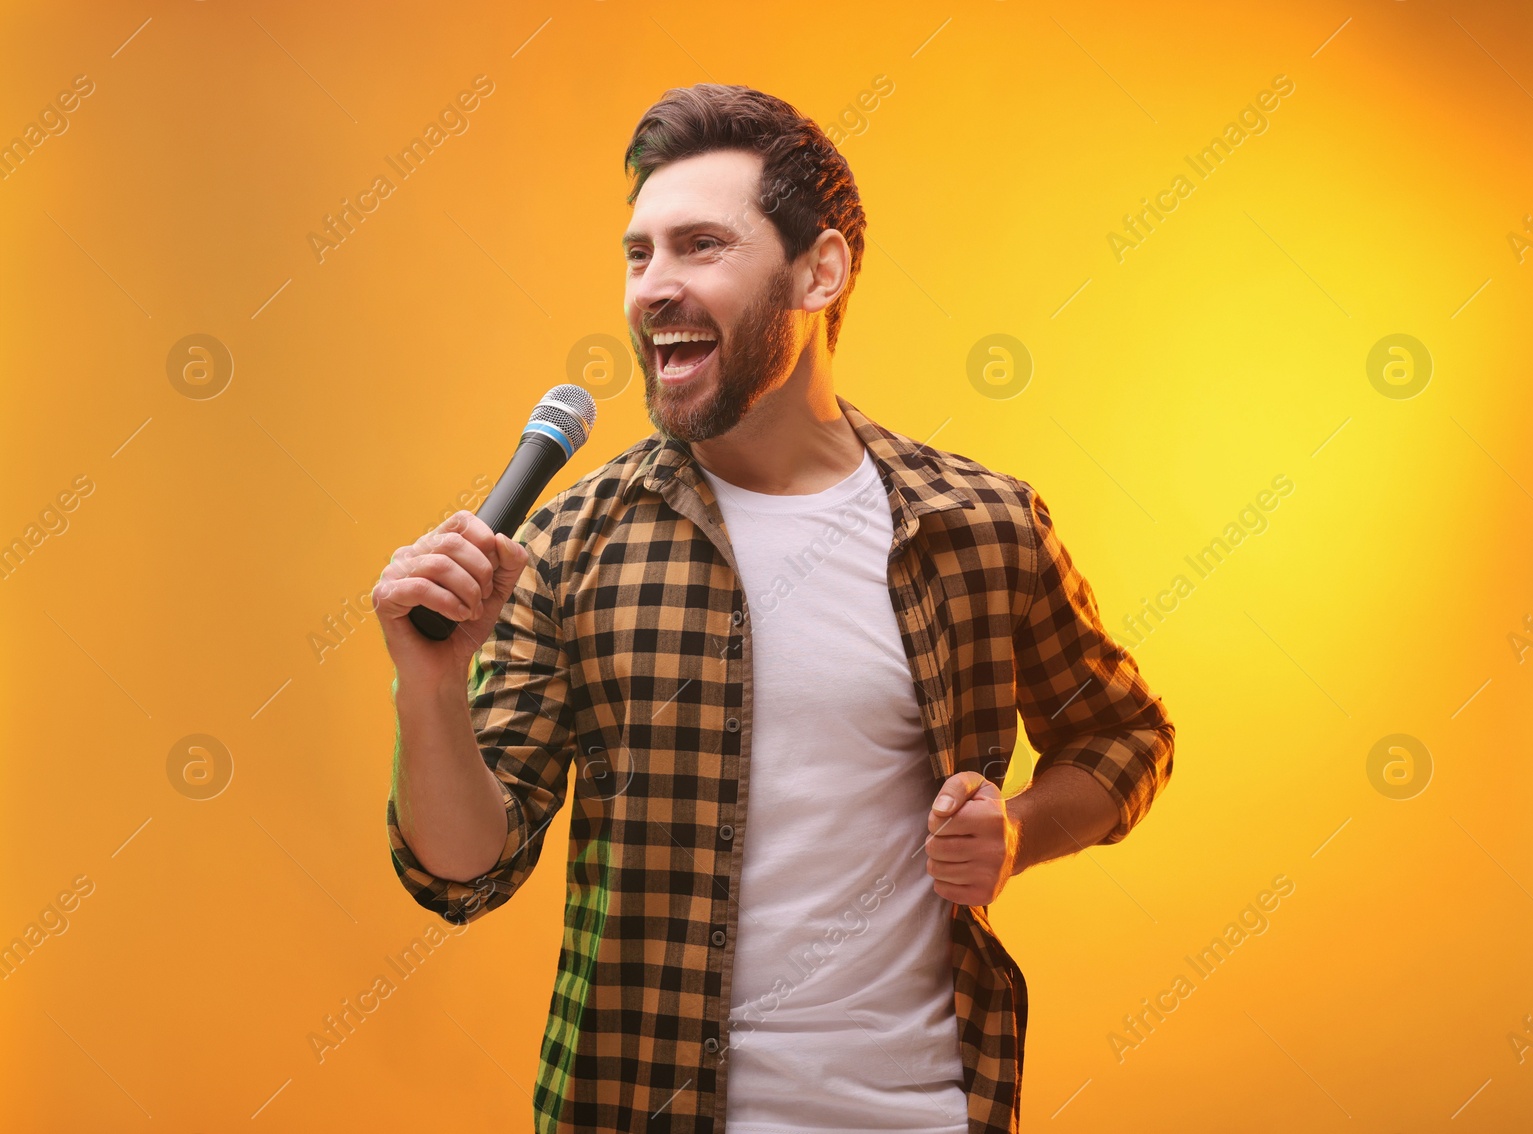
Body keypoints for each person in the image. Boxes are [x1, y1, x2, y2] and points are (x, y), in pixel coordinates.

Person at [374, 82, 1176, 1134]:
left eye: (699, 245)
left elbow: (1124, 735)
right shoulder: (568, 549)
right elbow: (465, 871)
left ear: (820, 270)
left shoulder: (982, 526)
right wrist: (429, 691)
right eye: (638, 253)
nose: (653, 287)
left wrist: (1019, 834)